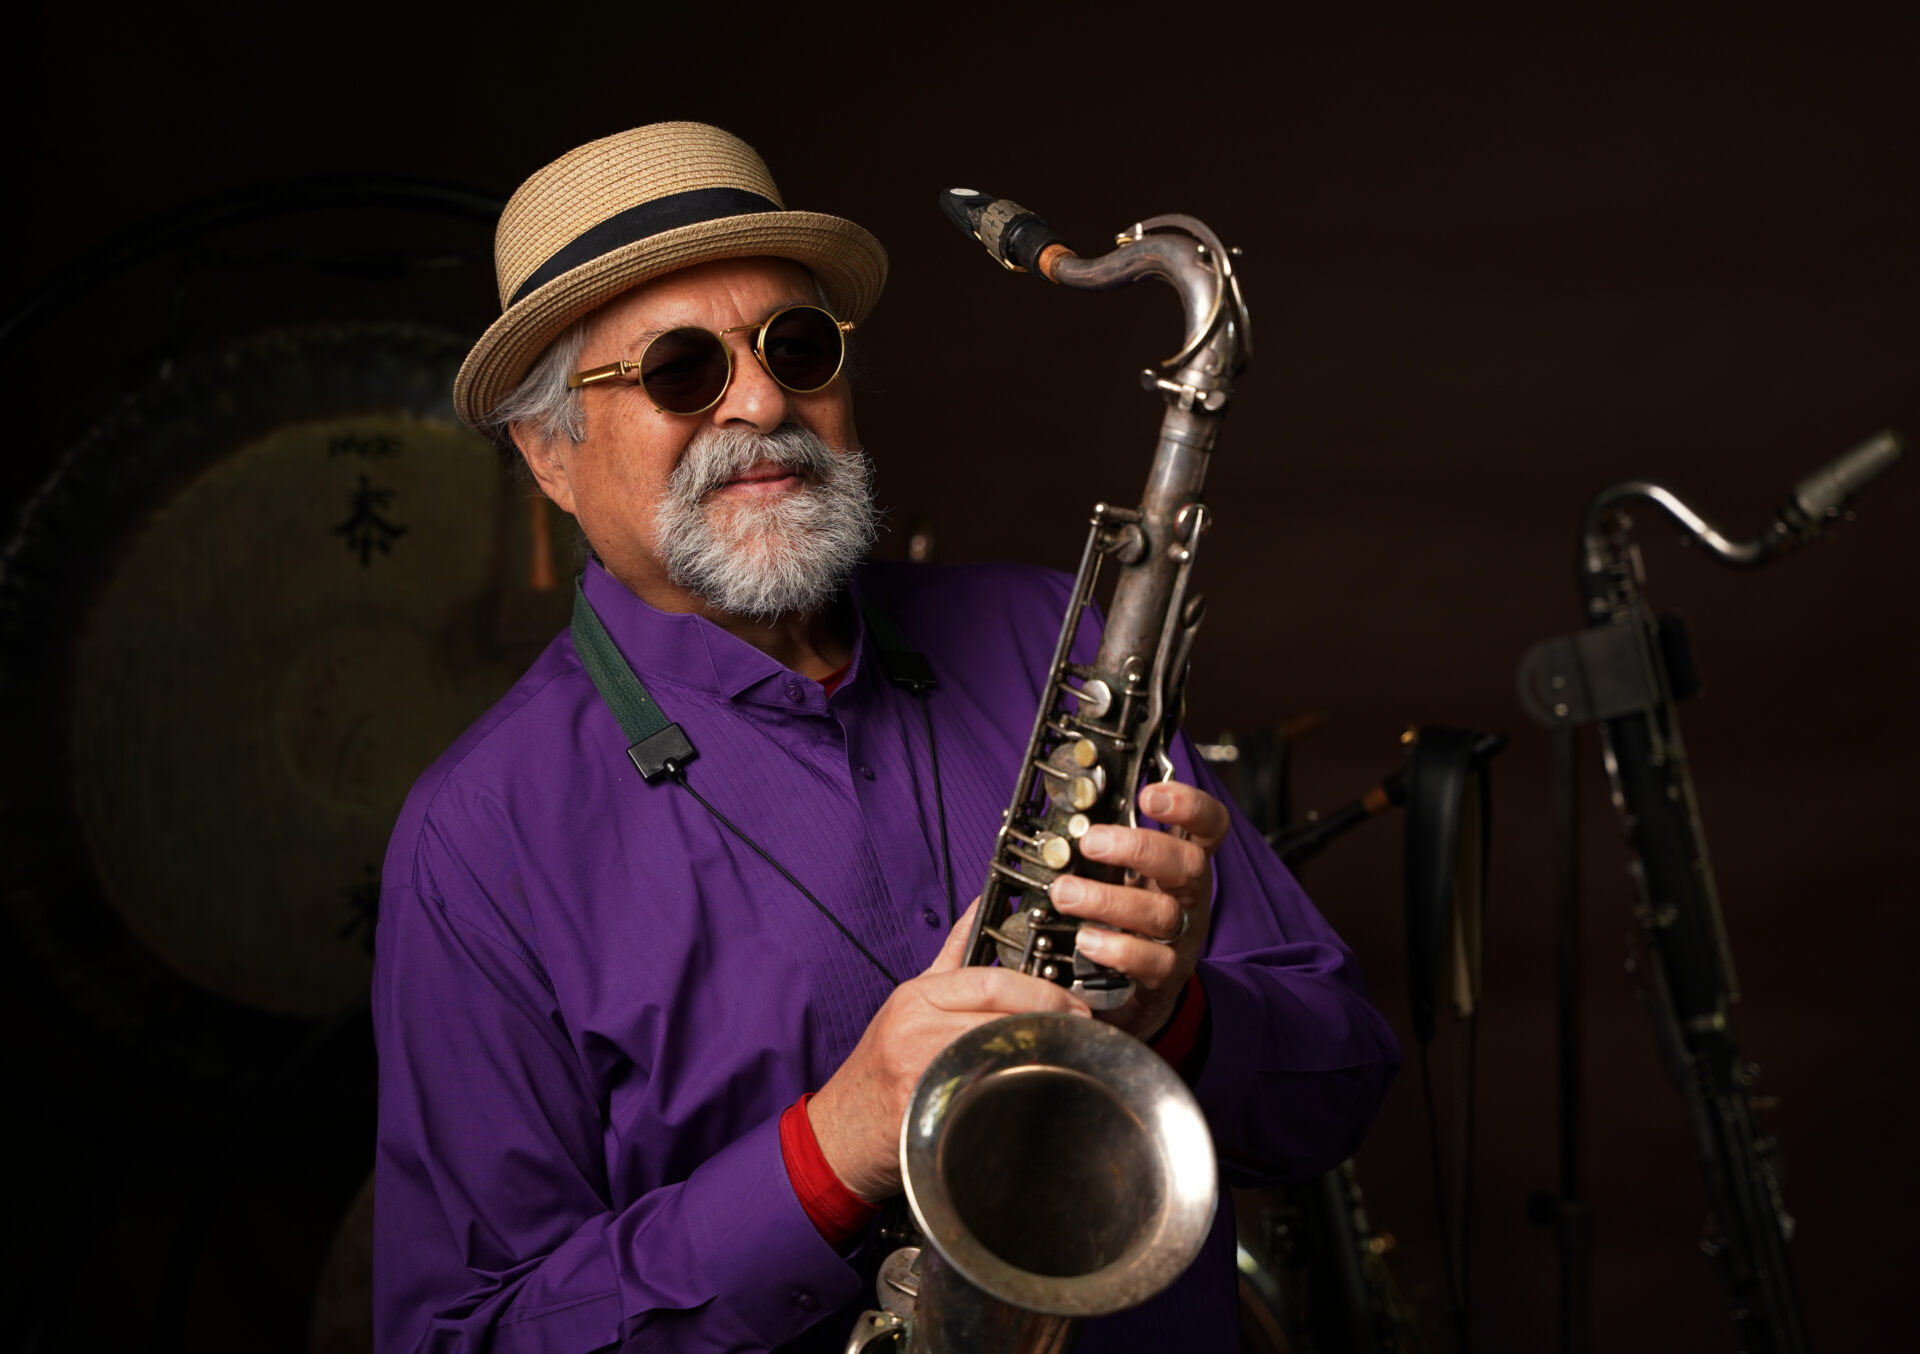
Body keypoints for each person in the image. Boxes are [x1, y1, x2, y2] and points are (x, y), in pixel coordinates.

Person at [372, 121, 1399, 1353]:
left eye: (798, 347)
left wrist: (1175, 1021)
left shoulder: (1052, 640)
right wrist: (833, 1148)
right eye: (680, 370)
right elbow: (464, 1334)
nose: (764, 400)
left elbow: (1343, 1079)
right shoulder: (478, 836)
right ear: (549, 452)